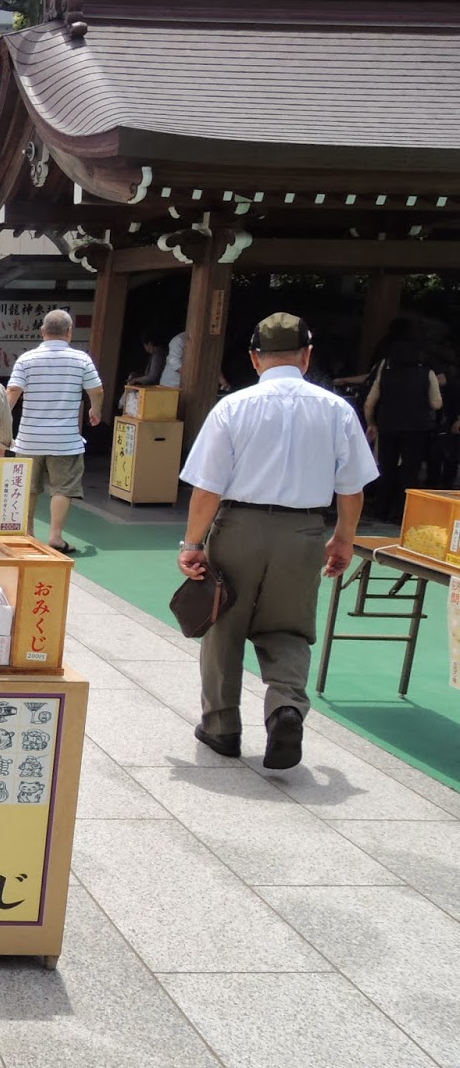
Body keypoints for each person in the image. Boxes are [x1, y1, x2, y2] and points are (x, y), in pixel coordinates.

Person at [178, 313, 378, 770]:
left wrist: (191, 543)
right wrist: (343, 540)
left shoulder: (233, 406)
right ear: (307, 357)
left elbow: (208, 487)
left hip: (238, 527)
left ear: (254, 358)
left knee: (223, 622)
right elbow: (353, 488)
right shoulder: (336, 409)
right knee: (289, 628)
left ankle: (221, 726)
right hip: (304, 531)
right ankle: (285, 707)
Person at [6, 310, 103, 553]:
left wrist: (3, 422)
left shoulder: (26, 359)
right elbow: (97, 390)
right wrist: (95, 410)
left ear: (43, 331)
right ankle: (56, 537)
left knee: (28, 486)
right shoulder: (81, 359)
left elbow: (12, 392)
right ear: (69, 332)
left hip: (29, 439)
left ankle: (27, 532)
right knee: (63, 488)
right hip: (65, 440)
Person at [364, 342, 442, 522]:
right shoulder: (427, 374)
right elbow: (436, 403)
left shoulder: (385, 375)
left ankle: (381, 511)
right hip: (416, 429)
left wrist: (372, 424)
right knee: (410, 472)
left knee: (386, 470)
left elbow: (369, 403)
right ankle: (402, 515)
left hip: (388, 427)